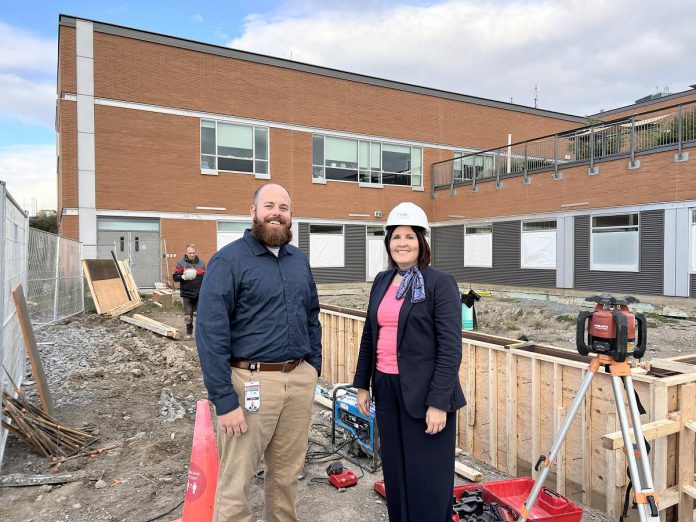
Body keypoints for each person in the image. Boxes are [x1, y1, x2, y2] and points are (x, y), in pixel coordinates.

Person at [196, 183, 322, 522]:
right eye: (269, 206)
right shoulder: (229, 261)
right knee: (237, 479)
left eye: (284, 207)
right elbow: (210, 333)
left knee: (286, 474)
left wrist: (313, 367)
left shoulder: (299, 261)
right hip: (249, 383)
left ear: (291, 216)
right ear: (253, 211)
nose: (276, 213)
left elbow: (311, 314)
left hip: (297, 380)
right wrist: (224, 400)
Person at [353, 201, 466, 522]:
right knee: (397, 472)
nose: (402, 243)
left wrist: (439, 402)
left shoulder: (439, 283)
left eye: (409, 236)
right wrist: (362, 384)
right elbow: (369, 336)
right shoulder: (381, 280)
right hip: (387, 390)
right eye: (395, 237)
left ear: (422, 241)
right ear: (388, 243)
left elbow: (450, 348)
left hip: (426, 394)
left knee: (427, 478)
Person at [172, 244, 206, 340]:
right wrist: (183, 276)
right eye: (190, 253)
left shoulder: (201, 263)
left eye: (193, 253)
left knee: (201, 315)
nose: (192, 254)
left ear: (196, 252)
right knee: (188, 315)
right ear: (186, 253)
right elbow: (175, 277)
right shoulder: (181, 263)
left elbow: (205, 277)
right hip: (187, 294)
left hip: (199, 293)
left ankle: (201, 334)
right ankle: (189, 333)